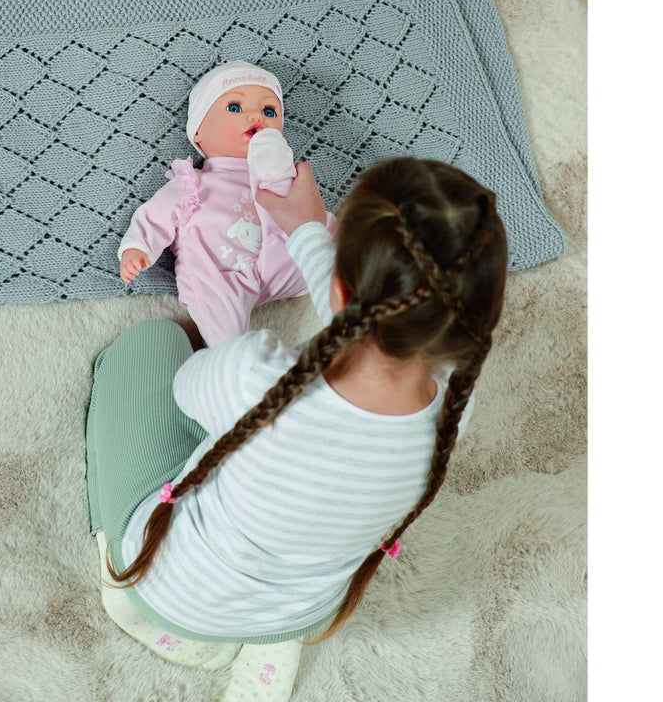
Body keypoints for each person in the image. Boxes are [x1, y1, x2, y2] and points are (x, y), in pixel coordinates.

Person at [86, 156, 508, 701]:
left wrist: (311, 237)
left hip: (173, 591)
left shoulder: (252, 373)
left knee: (151, 346)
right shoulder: (454, 406)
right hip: (302, 609)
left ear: (340, 293)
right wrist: (307, 229)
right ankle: (269, 640)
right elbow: (379, 327)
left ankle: (133, 592)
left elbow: (187, 390)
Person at [117, 60, 336, 347]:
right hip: (220, 275)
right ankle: (233, 356)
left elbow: (309, 220)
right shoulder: (192, 182)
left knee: (329, 237)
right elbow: (155, 215)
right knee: (222, 329)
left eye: (269, 111)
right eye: (235, 107)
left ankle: (271, 154)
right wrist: (137, 247)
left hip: (284, 258)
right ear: (198, 133)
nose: (256, 115)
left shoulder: (285, 175)